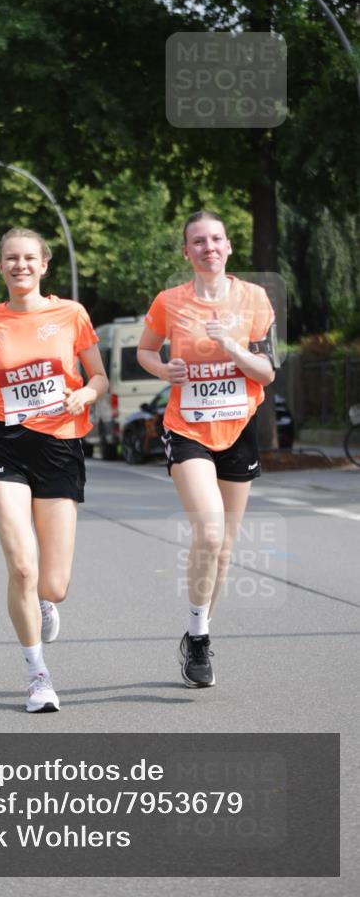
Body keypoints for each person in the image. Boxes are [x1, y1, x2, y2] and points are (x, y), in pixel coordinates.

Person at [0, 228, 108, 713]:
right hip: (7, 445)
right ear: (1, 267)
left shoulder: (71, 314)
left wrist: (86, 393)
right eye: (11, 259)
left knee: (53, 583)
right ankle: (38, 674)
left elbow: (98, 374)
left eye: (29, 258)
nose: (20, 265)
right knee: (21, 565)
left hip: (60, 446)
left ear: (44, 265)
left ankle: (44, 602)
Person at [137, 210, 278, 689]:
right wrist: (162, 371)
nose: (208, 247)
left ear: (229, 247)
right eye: (198, 241)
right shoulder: (169, 303)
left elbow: (267, 372)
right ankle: (198, 642)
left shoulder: (254, 298)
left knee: (225, 550)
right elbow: (145, 351)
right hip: (189, 427)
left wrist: (233, 349)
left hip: (239, 429)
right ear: (187, 252)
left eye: (216, 239)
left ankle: (199, 631)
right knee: (211, 533)